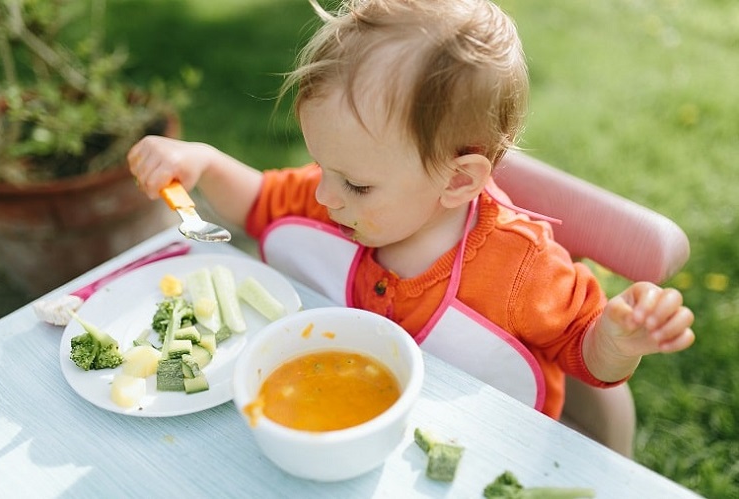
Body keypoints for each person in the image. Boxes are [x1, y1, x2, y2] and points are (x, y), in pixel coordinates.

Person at [129, 0, 694, 454]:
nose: (324, 195)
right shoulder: (335, 198)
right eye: (322, 167)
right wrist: (204, 161)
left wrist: (616, 342)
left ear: (457, 182)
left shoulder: (520, 269)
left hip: (486, 454)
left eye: (355, 184)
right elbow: (259, 202)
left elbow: (583, 354)